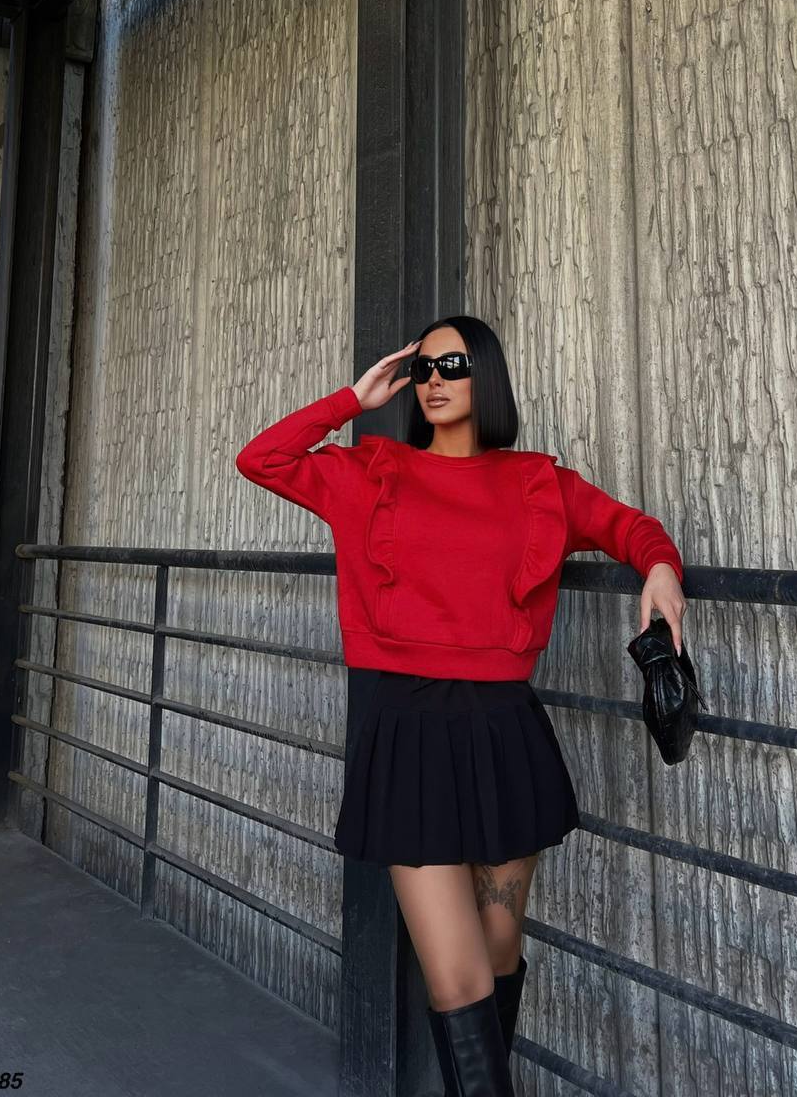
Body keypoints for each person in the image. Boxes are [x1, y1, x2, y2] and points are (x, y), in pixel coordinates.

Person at [235, 314, 685, 1095]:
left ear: (488, 377)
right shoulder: (369, 470)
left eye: (452, 363)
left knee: (499, 951)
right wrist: (353, 397)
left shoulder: (541, 483)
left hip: (503, 730)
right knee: (457, 977)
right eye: (423, 366)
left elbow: (630, 528)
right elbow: (261, 459)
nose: (434, 379)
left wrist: (662, 571)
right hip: (406, 731)